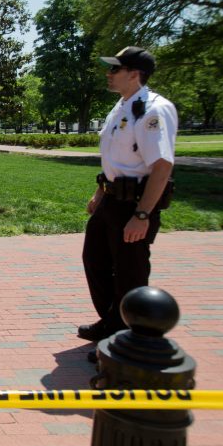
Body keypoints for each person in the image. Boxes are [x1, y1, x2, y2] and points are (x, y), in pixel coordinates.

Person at [78, 47, 177, 359]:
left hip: (134, 205)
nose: (109, 74)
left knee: (129, 272)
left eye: (115, 69)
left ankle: (124, 343)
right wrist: (100, 193)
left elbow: (161, 167)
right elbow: (115, 158)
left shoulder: (153, 111)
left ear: (135, 74)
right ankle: (110, 323)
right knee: (95, 260)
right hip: (111, 200)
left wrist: (143, 214)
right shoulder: (121, 106)